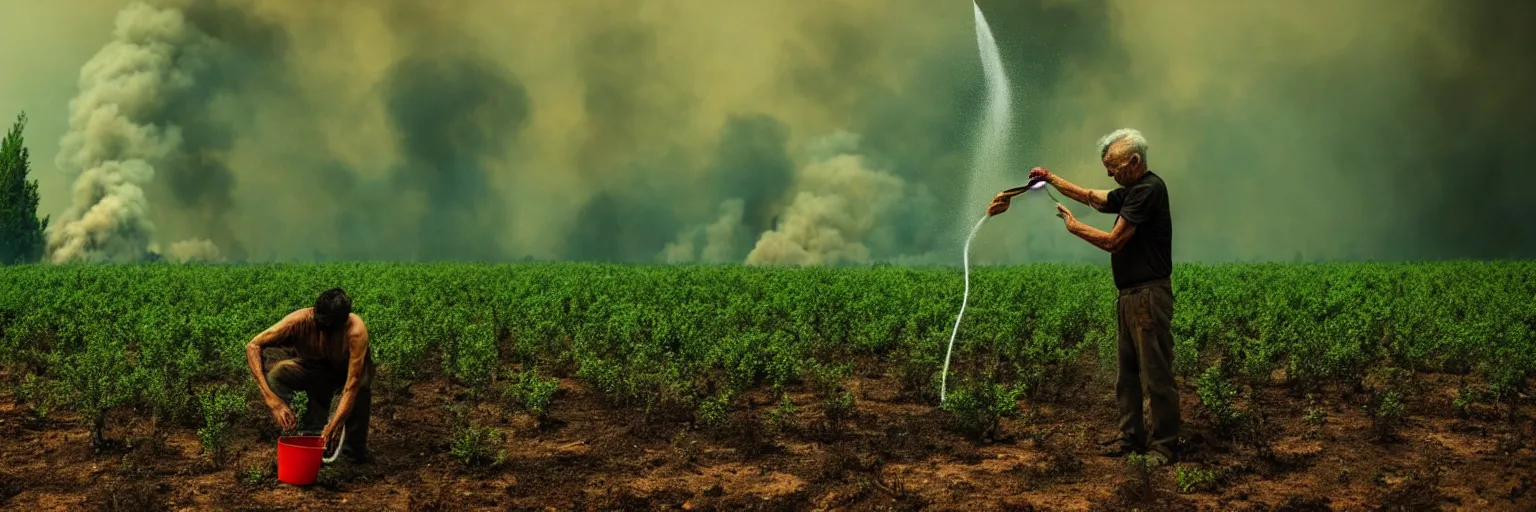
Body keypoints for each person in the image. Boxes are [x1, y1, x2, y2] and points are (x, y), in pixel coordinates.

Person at [987, 128, 1179, 464]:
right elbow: (1092, 196)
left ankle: (1164, 446)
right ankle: (1131, 440)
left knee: (1156, 374)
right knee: (1128, 376)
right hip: (1129, 295)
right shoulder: (1132, 190)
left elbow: (1113, 241)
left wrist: (1075, 228)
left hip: (1148, 295)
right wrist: (1050, 178)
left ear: (1134, 162)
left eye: (1114, 166)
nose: (1109, 173)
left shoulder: (1148, 190)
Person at [244, 287, 375, 463]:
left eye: (330, 330)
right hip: (315, 369)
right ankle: (299, 432)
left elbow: (352, 385)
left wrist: (336, 423)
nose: (324, 334)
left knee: (360, 390)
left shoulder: (356, 332)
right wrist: (274, 402)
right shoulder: (298, 321)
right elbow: (253, 346)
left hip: (349, 375)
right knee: (279, 373)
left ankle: (351, 454)